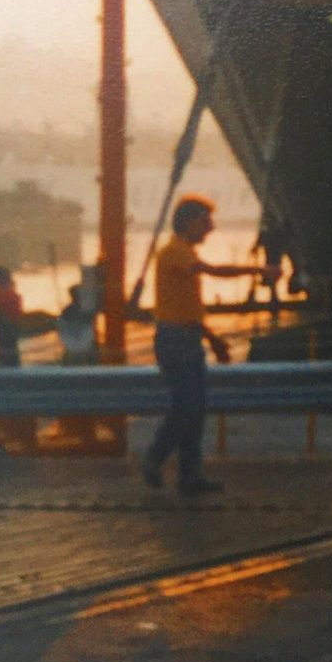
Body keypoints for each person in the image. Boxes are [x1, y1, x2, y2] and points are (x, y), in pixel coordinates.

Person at [141, 196, 278, 497]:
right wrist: (258, 272)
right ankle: (154, 458)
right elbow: (213, 271)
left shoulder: (183, 252)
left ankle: (190, 476)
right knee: (186, 407)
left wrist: (213, 339)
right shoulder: (174, 253)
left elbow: (188, 308)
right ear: (188, 222)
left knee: (195, 408)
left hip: (187, 338)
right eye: (205, 222)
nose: (210, 228)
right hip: (175, 341)